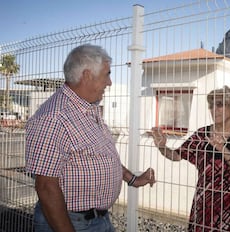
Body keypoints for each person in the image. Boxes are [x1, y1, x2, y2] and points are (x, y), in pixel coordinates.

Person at [25, 44, 156, 232]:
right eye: (107, 74)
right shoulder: (54, 117)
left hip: (97, 220)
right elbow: (46, 186)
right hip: (70, 222)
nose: (109, 82)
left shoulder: (88, 108)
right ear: (87, 75)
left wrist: (133, 179)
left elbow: (101, 156)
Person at [151, 86, 230, 232]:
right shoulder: (201, 134)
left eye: (219, 104)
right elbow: (177, 155)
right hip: (206, 206)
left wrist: (222, 148)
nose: (214, 109)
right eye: (211, 105)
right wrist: (162, 147)